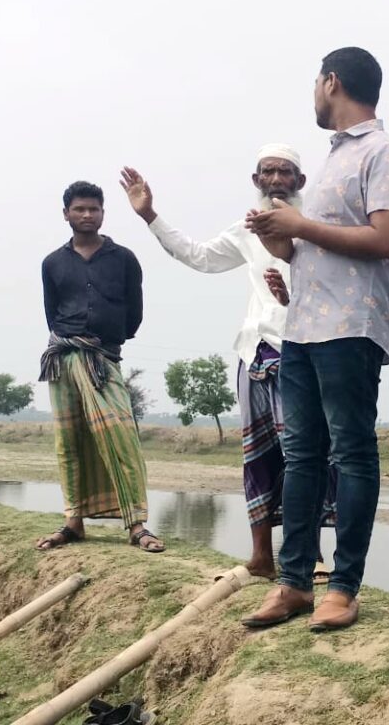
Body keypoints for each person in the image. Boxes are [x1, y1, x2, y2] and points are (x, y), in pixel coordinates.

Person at [240, 46, 389, 633]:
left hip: (351, 327)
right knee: (302, 456)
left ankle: (342, 588)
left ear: (332, 82)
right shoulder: (332, 158)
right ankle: (294, 582)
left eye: (317, 82)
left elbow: (385, 240)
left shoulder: (384, 152)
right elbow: (312, 247)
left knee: (352, 453)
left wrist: (300, 225)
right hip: (303, 328)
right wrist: (281, 241)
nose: (314, 92)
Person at [119, 145, 338, 580]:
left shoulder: (315, 227)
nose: (276, 179)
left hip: (301, 349)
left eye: (285, 172)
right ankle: (261, 557)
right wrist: (150, 216)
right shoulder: (248, 228)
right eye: (267, 172)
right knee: (257, 455)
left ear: (300, 181)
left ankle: (309, 554)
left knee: (304, 455)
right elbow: (200, 256)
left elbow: (332, 288)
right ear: (256, 181)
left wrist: (293, 299)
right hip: (254, 351)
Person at [36, 181, 165, 554]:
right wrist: (73, 338)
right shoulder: (52, 263)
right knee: (69, 441)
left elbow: (134, 315)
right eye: (79, 209)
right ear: (66, 214)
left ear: (103, 213)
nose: (87, 215)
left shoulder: (123, 258)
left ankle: (136, 525)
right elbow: (52, 313)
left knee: (121, 437)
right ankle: (73, 521)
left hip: (102, 357)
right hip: (63, 358)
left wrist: (107, 340)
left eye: (94, 209)